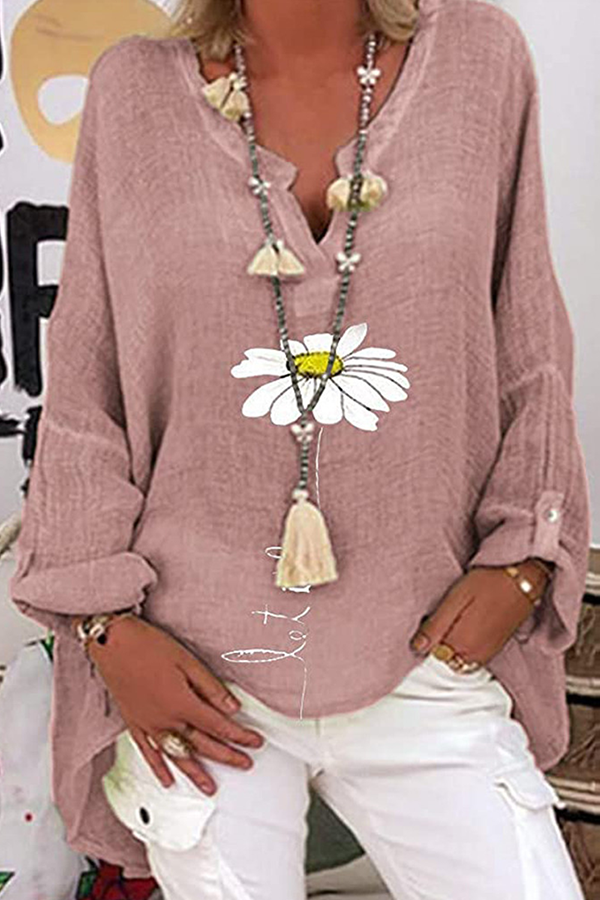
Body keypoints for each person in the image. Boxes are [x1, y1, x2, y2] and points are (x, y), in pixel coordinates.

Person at [9, 0, 591, 897]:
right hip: (193, 670)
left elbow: (529, 340)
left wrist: (525, 557)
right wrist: (106, 629)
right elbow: (88, 378)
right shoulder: (135, 92)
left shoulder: (479, 59)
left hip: (424, 642)